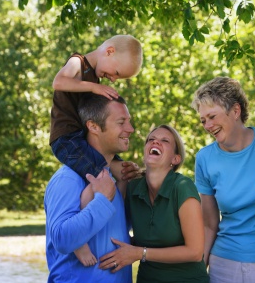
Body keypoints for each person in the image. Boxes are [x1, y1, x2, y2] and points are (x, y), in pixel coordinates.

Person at [49, 34, 143, 265]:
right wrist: (93, 87)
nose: (113, 78)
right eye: (116, 73)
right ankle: (80, 243)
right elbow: (58, 82)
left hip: (78, 137)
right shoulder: (77, 62)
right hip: (66, 138)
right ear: (109, 51)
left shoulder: (94, 80)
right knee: (98, 174)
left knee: (112, 168)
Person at [190, 76, 255, 283]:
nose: (207, 125)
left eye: (212, 116)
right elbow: (209, 224)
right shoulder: (204, 158)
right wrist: (197, 272)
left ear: (235, 111)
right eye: (203, 120)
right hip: (223, 263)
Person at [96, 125, 209, 283]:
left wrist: (140, 253)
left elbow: (195, 252)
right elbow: (117, 228)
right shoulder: (132, 187)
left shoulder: (183, 187)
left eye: (165, 141)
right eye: (151, 140)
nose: (156, 143)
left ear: (175, 159)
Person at [45, 94, 136, 282]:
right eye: (121, 122)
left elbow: (113, 235)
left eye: (129, 122)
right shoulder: (67, 179)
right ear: (93, 126)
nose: (131, 129)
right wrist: (102, 200)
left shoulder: (112, 178)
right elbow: (62, 239)